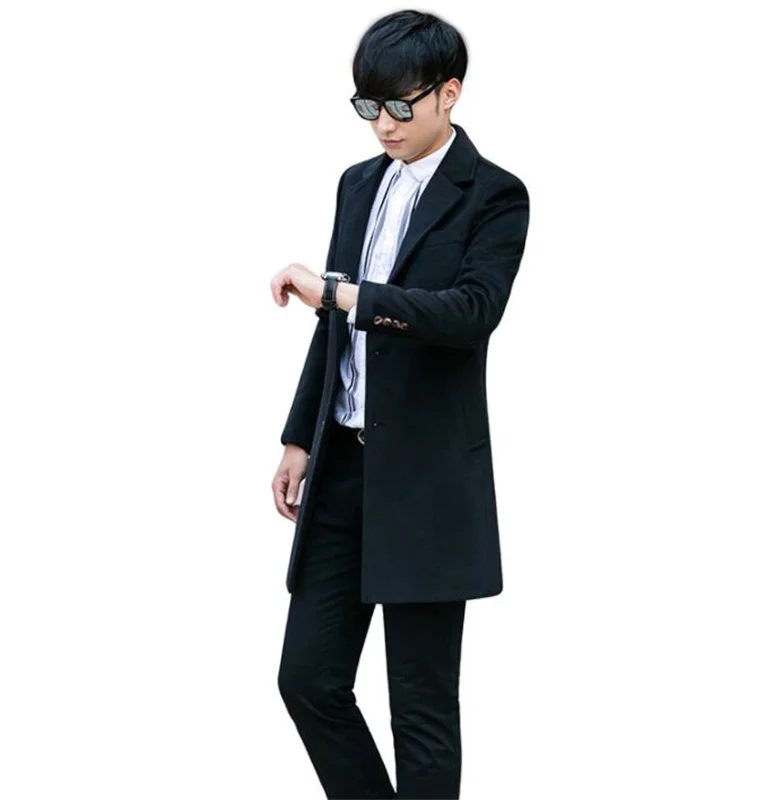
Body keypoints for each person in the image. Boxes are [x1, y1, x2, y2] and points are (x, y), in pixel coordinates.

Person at [269, 10, 529, 799]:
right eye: (368, 106)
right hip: (342, 468)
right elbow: (332, 331)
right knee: (308, 679)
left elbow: (470, 312)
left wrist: (344, 295)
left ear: (450, 93)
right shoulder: (358, 183)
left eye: (399, 106)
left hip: (427, 479)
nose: (382, 125)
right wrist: (299, 439)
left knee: (421, 706)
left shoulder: (495, 195)